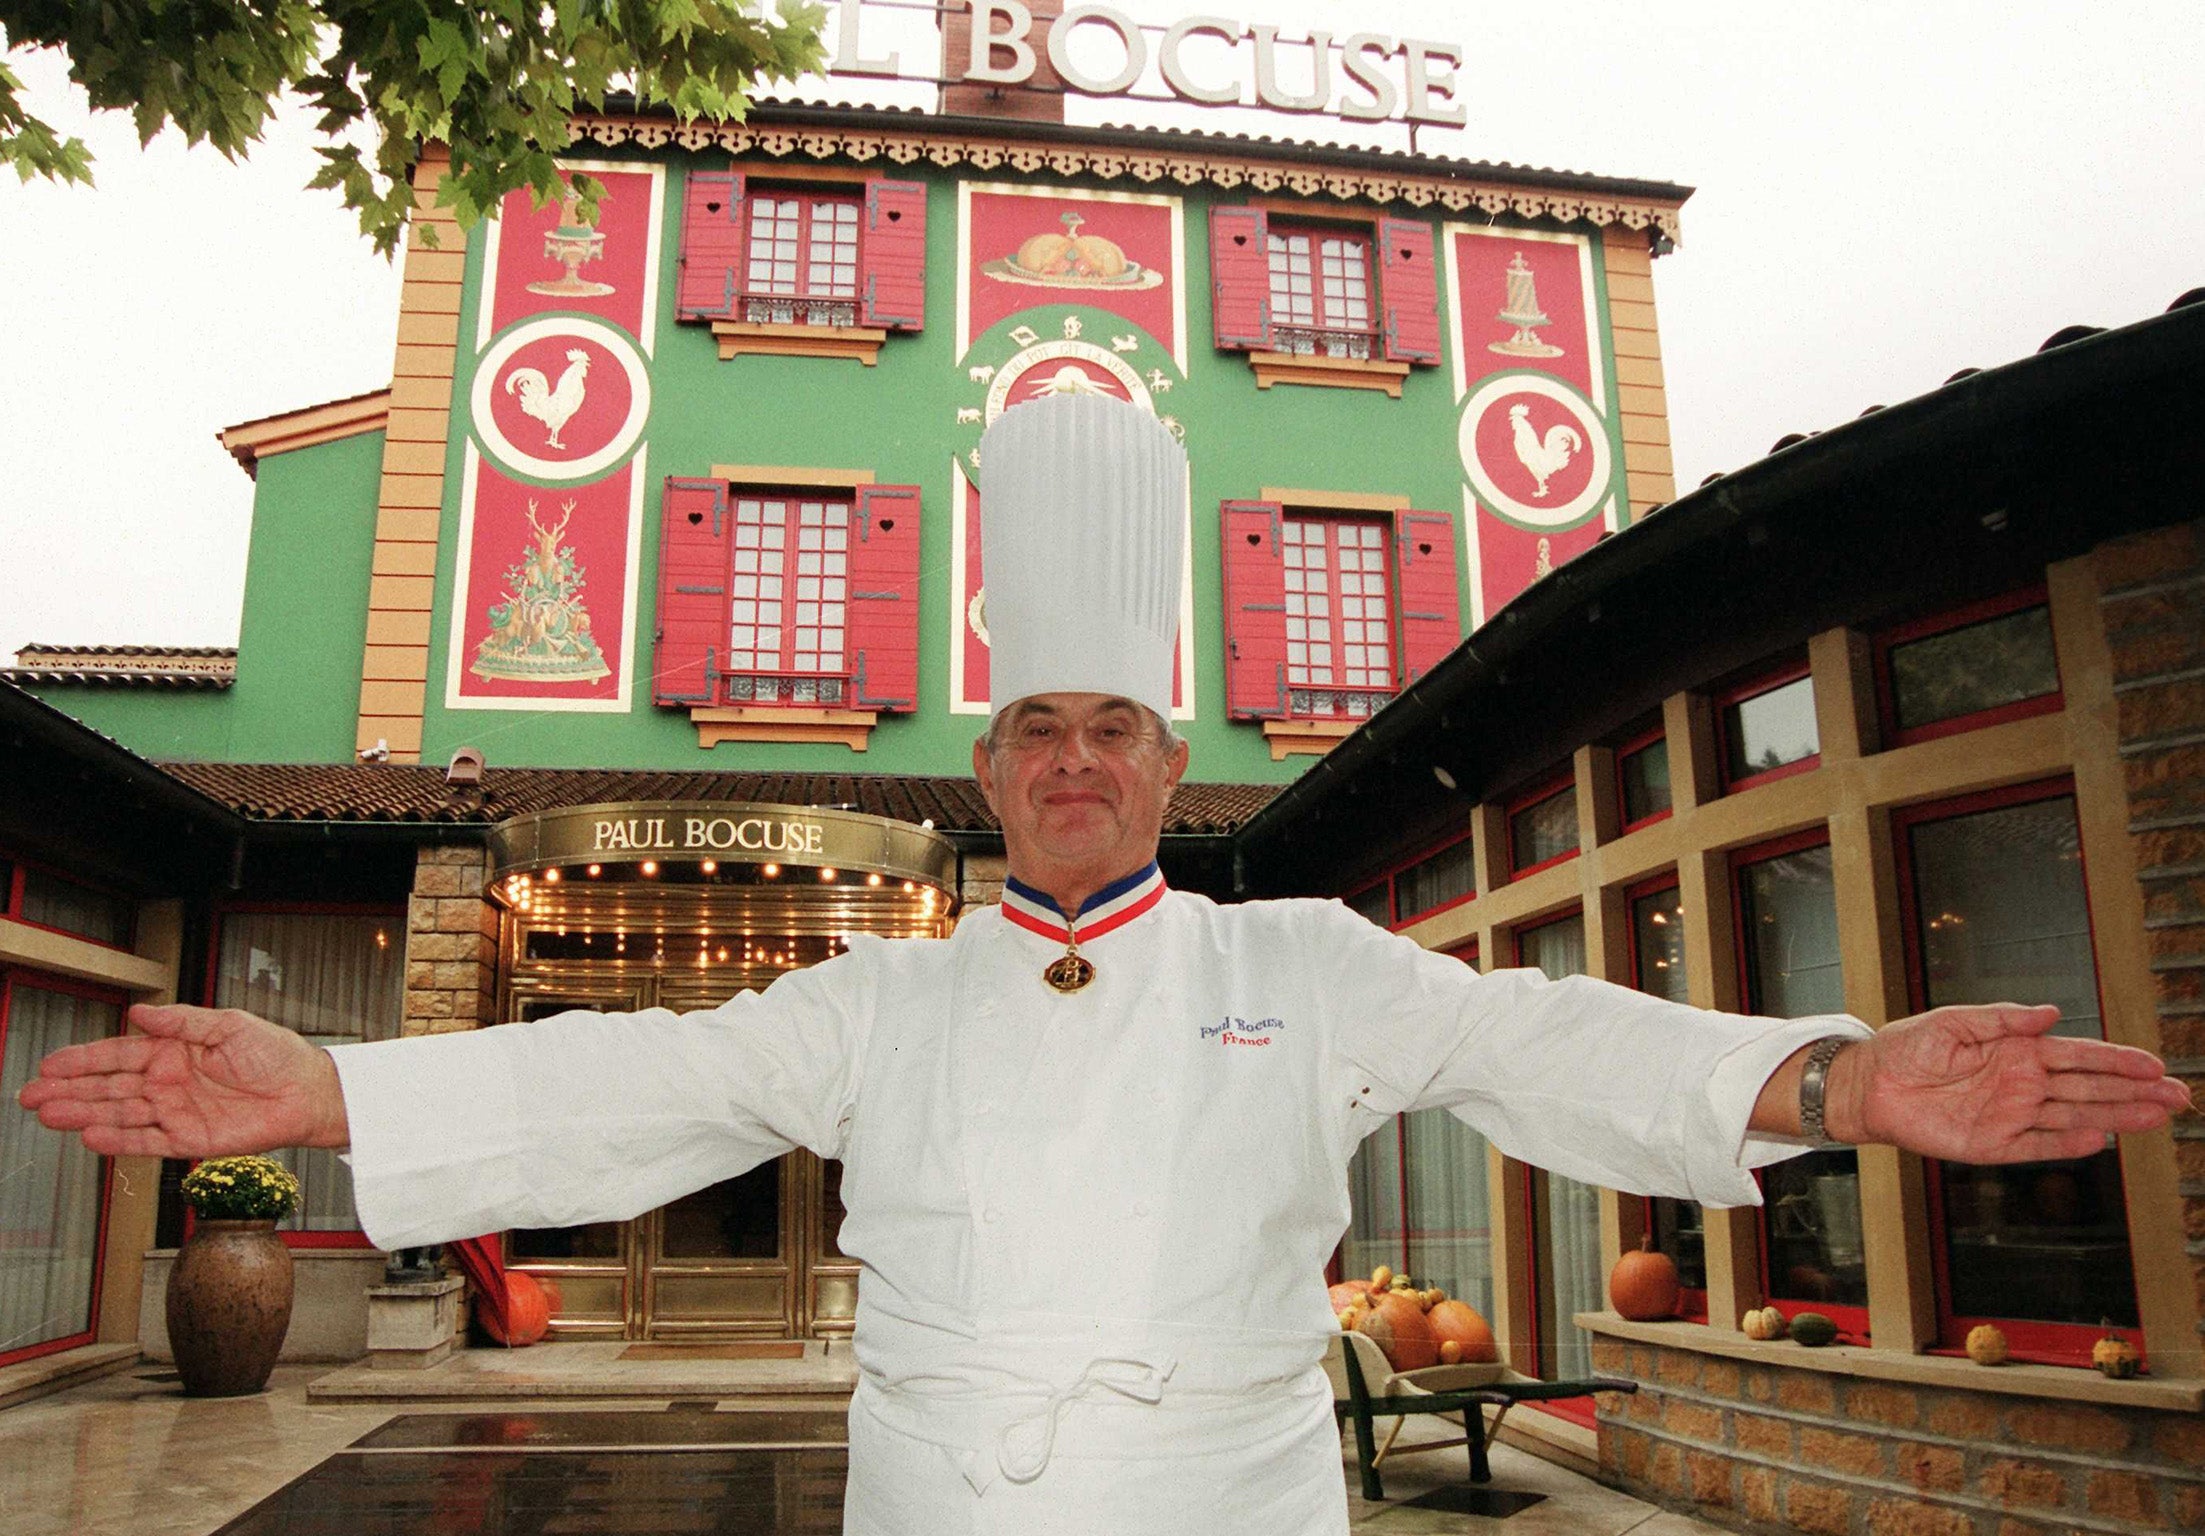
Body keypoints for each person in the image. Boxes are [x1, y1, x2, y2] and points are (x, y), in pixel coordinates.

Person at [21, 394, 2190, 1536]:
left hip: (1224, 1507)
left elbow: (1549, 1038)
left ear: (1172, 763)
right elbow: (631, 1082)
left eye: (1110, 732)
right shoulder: (878, 998)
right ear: (992, 770)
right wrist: (317, 1095)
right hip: (946, 1508)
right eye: (1036, 731)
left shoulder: (1307, 958)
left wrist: (1830, 1083)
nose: (1071, 763)